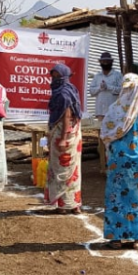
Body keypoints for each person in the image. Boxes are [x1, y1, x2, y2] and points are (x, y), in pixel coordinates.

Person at [100, 73, 138, 250]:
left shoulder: (114, 110)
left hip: (117, 160)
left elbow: (105, 133)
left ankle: (115, 238)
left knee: (116, 197)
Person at [44, 63, 83, 214]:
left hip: (64, 134)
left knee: (62, 169)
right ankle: (73, 204)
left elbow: (67, 115)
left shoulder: (63, 93)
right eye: (53, 76)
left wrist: (62, 138)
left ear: (64, 77)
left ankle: (64, 205)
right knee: (72, 170)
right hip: (72, 133)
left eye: (57, 76)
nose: (54, 79)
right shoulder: (71, 90)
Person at [88, 52, 123, 173]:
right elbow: (91, 92)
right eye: (103, 62)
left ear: (111, 62)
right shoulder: (97, 76)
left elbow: (122, 90)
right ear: (100, 63)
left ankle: (114, 162)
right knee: (103, 137)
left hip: (114, 112)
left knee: (113, 136)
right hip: (101, 112)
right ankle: (104, 163)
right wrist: (100, 88)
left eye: (107, 61)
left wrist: (109, 87)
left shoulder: (118, 75)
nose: (105, 63)